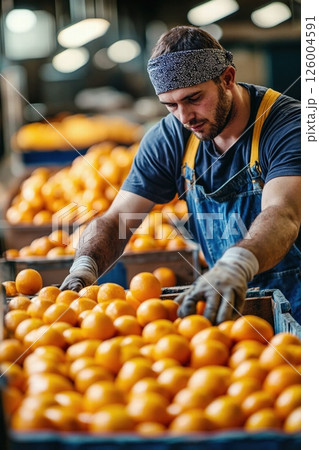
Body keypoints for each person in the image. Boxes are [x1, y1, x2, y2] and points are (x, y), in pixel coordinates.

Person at [61, 26, 301, 324]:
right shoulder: (170, 137)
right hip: (236, 311)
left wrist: (238, 264)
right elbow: (117, 219)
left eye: (193, 98)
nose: (185, 117)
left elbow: (283, 213)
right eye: (170, 105)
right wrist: (85, 265)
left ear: (227, 78)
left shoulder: (288, 127)